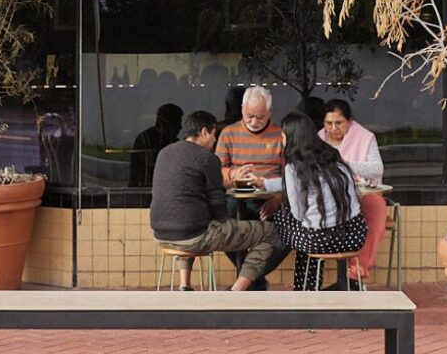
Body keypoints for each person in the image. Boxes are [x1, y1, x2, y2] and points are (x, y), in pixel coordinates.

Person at [148, 110, 275, 290]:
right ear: (205, 132)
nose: (215, 141)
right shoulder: (207, 158)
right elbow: (219, 209)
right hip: (195, 236)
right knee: (269, 232)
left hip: (160, 234)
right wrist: (224, 220)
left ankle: (185, 286)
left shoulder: (164, 153)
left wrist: (227, 183)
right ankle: (237, 290)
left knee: (188, 218)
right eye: (214, 135)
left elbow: (188, 188)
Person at [259, 111, 366, 291]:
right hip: (355, 234)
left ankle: (260, 274)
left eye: (283, 136)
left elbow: (298, 214)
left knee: (282, 219)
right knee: (306, 233)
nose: (282, 140)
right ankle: (330, 285)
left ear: (291, 137)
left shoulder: (293, 168)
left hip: (320, 240)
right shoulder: (333, 156)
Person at [217, 85, 288, 288]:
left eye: (260, 117)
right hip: (237, 198)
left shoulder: (280, 135)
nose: (254, 122)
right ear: (242, 110)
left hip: (271, 199)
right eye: (249, 116)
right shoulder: (228, 134)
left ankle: (247, 280)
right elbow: (217, 172)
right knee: (222, 229)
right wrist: (232, 174)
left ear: (270, 113)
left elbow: (291, 175)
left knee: (288, 235)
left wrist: (279, 197)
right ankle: (251, 282)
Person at [323, 99, 386, 287]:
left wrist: (346, 164)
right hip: (329, 198)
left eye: (339, 123)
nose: (333, 128)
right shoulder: (318, 139)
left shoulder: (365, 137)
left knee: (377, 210)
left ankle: (354, 275)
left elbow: (377, 169)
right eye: (328, 123)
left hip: (362, 196)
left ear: (349, 122)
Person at [130, 103, 184, 187]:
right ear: (167, 124)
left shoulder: (175, 143)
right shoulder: (144, 141)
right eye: (177, 123)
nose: (181, 127)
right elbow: (138, 176)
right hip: (145, 193)